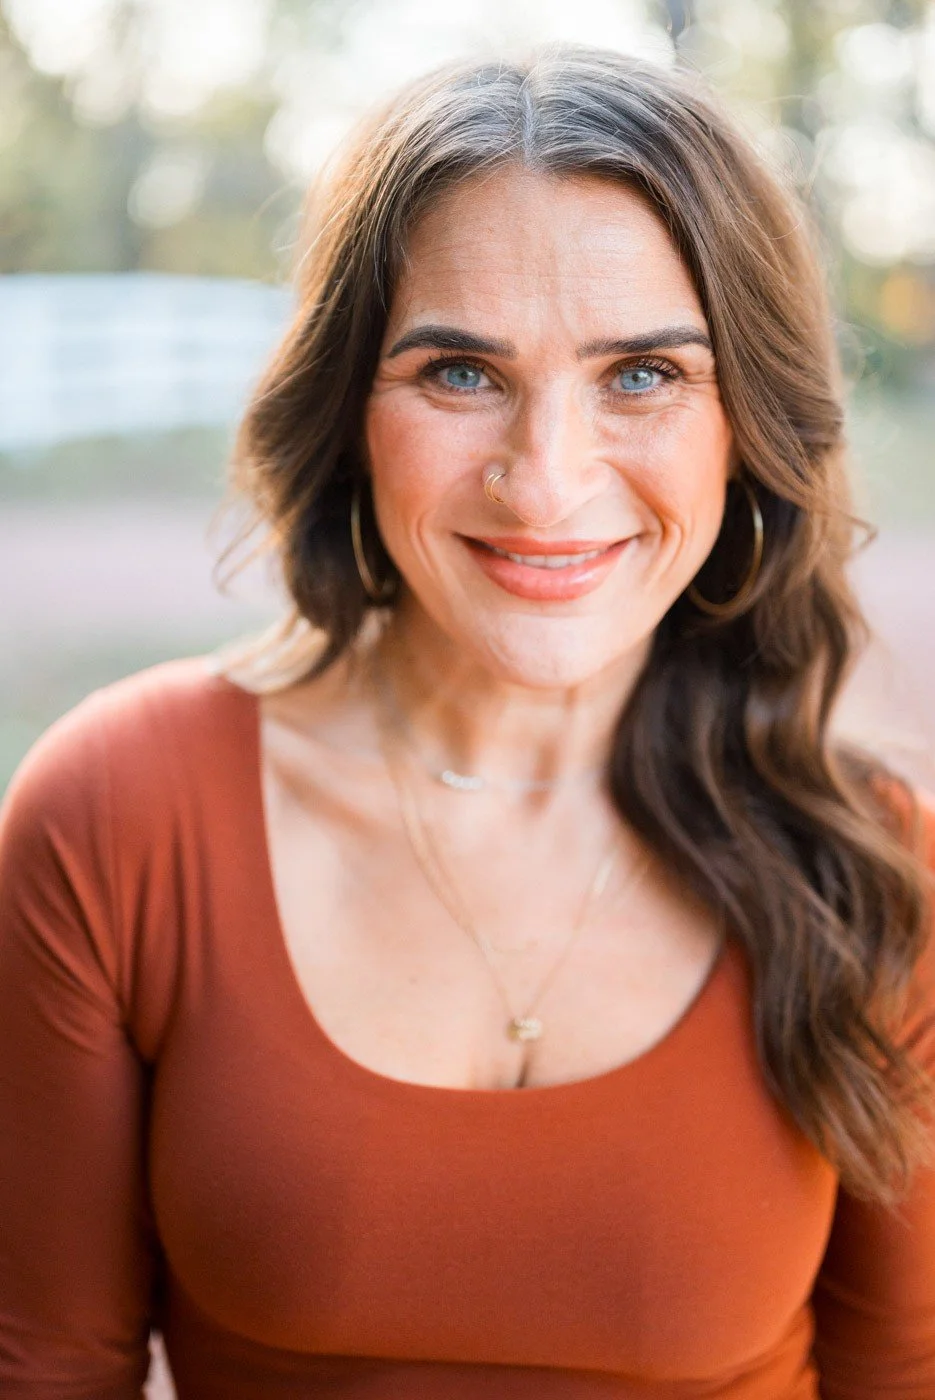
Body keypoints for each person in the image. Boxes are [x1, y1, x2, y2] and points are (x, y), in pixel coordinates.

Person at [1, 44, 934, 1400]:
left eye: (641, 376)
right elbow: (49, 1364)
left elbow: (901, 1371)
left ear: (747, 423)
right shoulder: (120, 813)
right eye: (458, 373)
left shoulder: (868, 866)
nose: (543, 482)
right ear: (347, 404)